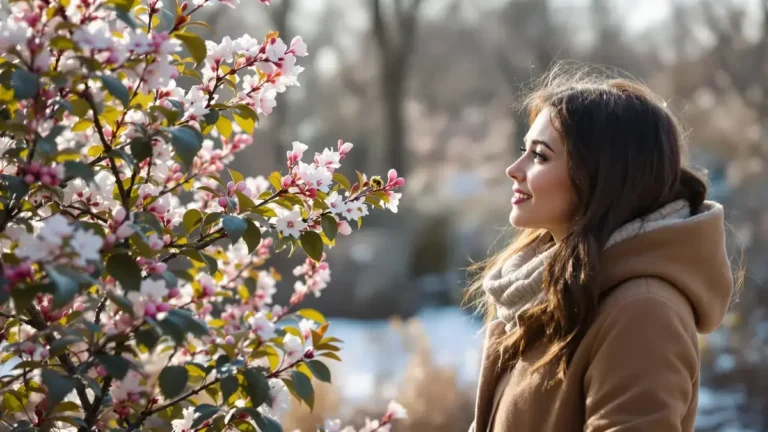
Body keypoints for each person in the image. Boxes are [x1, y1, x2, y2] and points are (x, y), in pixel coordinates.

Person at [466, 64, 738, 432]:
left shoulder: (643, 312)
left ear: (601, 177)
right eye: (523, 150)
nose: (514, 169)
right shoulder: (541, 294)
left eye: (540, 156)